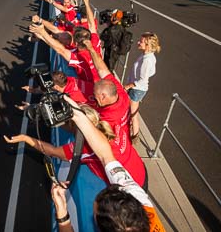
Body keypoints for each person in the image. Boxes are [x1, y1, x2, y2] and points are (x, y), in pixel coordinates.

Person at [51, 95, 165, 232]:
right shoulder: (140, 199)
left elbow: (105, 156)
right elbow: (106, 156)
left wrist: (61, 212)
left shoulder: (139, 199)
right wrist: (77, 115)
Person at [83, 39, 147, 188]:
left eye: (95, 95)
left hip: (127, 181)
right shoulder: (118, 91)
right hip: (134, 161)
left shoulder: (107, 119)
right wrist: (91, 49)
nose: (93, 97)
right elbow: (102, 69)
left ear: (104, 96)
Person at [124, 32, 161, 139]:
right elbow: (152, 72)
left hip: (136, 90)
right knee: (132, 112)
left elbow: (142, 80)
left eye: (141, 41)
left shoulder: (147, 60)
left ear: (148, 45)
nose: (138, 42)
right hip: (138, 89)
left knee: (133, 114)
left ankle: (134, 136)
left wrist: (128, 86)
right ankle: (132, 132)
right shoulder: (148, 56)